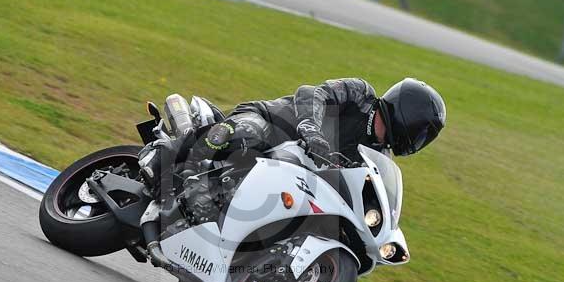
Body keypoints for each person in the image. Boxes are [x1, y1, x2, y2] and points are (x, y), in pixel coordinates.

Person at [139, 77, 446, 195]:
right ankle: (166, 159)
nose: (419, 141)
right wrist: (311, 130)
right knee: (249, 133)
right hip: (270, 123)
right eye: (421, 133)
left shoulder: (376, 159)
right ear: (407, 113)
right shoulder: (361, 94)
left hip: (285, 174)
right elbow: (313, 93)